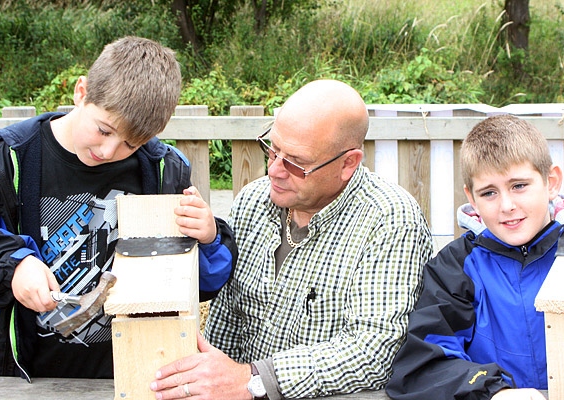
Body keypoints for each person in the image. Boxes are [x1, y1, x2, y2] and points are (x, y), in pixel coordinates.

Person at [149, 79, 433, 399]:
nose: (274, 170)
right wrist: (207, 374)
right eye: (272, 150)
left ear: (348, 164)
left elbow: (372, 352)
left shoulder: (390, 220)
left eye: (296, 163)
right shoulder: (252, 202)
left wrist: (253, 380)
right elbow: (227, 320)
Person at [0, 36, 236, 380]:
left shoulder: (163, 170)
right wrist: (13, 266)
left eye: (132, 143)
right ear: (81, 92)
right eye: (103, 130)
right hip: (21, 374)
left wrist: (206, 238)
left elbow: (203, 284)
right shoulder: (5, 160)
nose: (109, 150)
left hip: (131, 375)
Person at [385, 114, 564, 400]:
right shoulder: (456, 267)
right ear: (472, 198)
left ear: (551, 181)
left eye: (519, 185)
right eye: (489, 193)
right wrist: (493, 391)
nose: (507, 205)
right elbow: (423, 366)